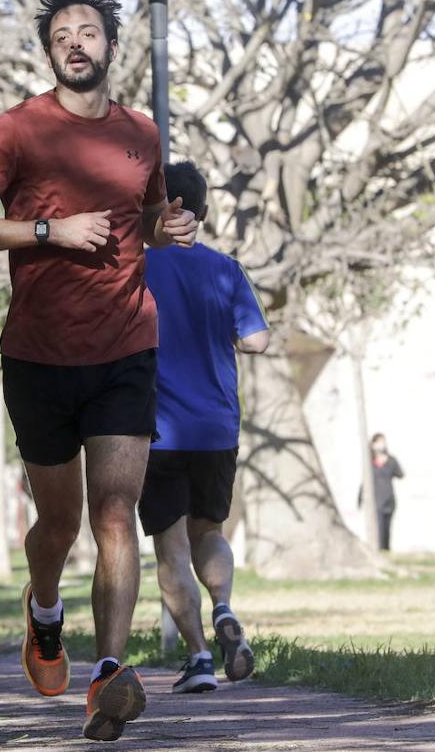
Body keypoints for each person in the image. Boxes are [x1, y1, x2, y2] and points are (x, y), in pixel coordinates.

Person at [0, 0, 196, 741]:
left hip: (125, 346)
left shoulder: (143, 133)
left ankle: (107, 677)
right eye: (63, 36)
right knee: (59, 524)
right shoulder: (18, 129)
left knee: (116, 516)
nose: (78, 43)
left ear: (111, 46)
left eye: (90, 31)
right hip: (40, 355)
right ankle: (44, 609)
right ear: (50, 52)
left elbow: (141, 221)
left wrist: (165, 224)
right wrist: (48, 230)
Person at [137, 161, 269, 694]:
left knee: (171, 547)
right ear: (204, 213)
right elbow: (256, 340)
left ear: (155, 211)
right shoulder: (226, 269)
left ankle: (197, 657)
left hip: (158, 430)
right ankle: (224, 610)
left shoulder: (137, 267)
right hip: (217, 426)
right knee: (209, 532)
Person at [360, 433, 404, 551]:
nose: (381, 445)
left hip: (389, 499)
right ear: (373, 445)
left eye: (383, 442)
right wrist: (360, 499)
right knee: (379, 528)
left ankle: (386, 549)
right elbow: (364, 481)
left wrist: (389, 461)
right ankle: (379, 550)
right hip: (376, 500)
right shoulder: (370, 462)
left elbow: (400, 474)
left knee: (387, 528)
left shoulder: (391, 460)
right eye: (378, 442)